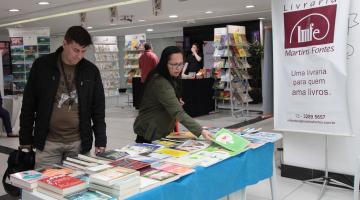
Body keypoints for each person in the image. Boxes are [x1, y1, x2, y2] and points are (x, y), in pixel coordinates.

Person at [19, 26, 107, 168]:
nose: (79, 56)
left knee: (78, 187)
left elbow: (98, 108)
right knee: (45, 187)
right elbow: (28, 104)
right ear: (64, 43)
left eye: (83, 51)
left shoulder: (91, 71)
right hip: (48, 143)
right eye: (75, 50)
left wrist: (101, 140)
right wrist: (25, 139)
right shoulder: (42, 66)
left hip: (79, 144)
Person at [133, 46, 212, 143]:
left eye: (180, 64)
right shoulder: (160, 81)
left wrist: (175, 100)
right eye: (174, 64)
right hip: (150, 133)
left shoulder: (169, 76)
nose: (178, 68)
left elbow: (165, 100)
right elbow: (178, 112)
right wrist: (201, 131)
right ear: (164, 63)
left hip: (159, 129)